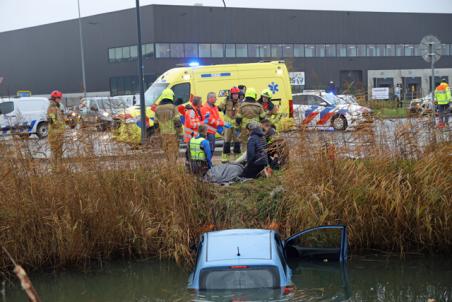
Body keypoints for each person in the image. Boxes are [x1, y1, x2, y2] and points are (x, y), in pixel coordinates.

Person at [154, 88, 181, 161]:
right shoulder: (173, 107)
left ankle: (169, 168)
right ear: (171, 96)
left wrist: (158, 133)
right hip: (172, 134)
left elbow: (156, 124)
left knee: (167, 155)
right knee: (173, 154)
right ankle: (172, 169)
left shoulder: (157, 108)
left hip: (163, 135)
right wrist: (179, 132)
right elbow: (177, 121)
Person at [218, 87, 241, 162]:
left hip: (236, 125)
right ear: (231, 94)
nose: (235, 96)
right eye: (234, 94)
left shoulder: (240, 103)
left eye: (236, 94)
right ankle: (225, 158)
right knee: (226, 141)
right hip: (227, 125)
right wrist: (225, 101)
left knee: (237, 142)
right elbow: (219, 108)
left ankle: (237, 159)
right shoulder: (227, 101)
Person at [47, 90, 65, 167]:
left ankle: (58, 168)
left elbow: (58, 119)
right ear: (55, 98)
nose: (60, 99)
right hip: (55, 134)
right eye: (59, 98)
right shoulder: (52, 108)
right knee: (55, 152)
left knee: (58, 152)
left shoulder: (56, 107)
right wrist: (61, 124)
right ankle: (55, 169)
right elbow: (53, 121)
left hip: (58, 133)